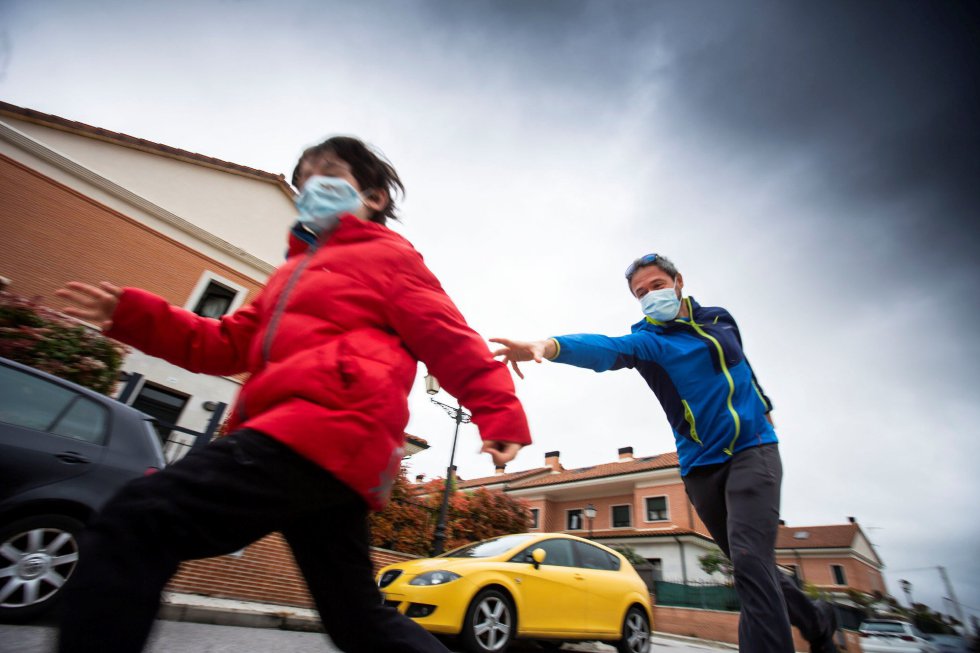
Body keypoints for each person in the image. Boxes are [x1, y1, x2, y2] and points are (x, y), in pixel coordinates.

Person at [54, 136, 531, 653]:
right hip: (321, 454)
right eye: (303, 178)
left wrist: (499, 416)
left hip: (322, 429)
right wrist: (135, 316)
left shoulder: (389, 257)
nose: (310, 186)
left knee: (138, 517)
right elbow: (223, 345)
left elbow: (450, 340)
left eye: (327, 172)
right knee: (356, 620)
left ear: (372, 197)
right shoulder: (287, 276)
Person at [490, 253, 838, 653]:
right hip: (700, 466)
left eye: (657, 286)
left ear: (678, 281)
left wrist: (764, 404)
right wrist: (549, 346)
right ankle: (816, 620)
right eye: (641, 293)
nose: (650, 296)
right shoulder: (649, 342)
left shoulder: (719, 319)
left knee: (750, 562)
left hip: (753, 449)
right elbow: (606, 348)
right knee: (751, 567)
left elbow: (741, 366)